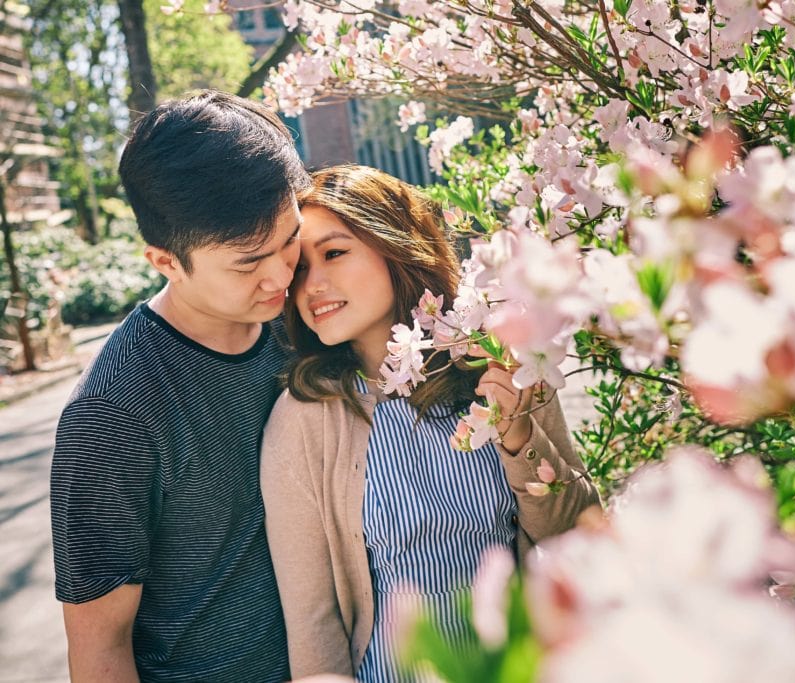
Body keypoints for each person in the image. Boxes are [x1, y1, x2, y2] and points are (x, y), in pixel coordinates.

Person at [260, 165, 600, 680]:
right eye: (299, 269)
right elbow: (313, 622)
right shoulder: (305, 418)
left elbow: (580, 533)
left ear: (394, 246)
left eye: (333, 253)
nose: (314, 284)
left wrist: (519, 436)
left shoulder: (500, 366)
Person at [50, 90, 309, 682]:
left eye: (288, 239)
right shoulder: (112, 413)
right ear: (165, 261)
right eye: (248, 262)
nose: (280, 274)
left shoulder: (299, 323)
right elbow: (99, 645)